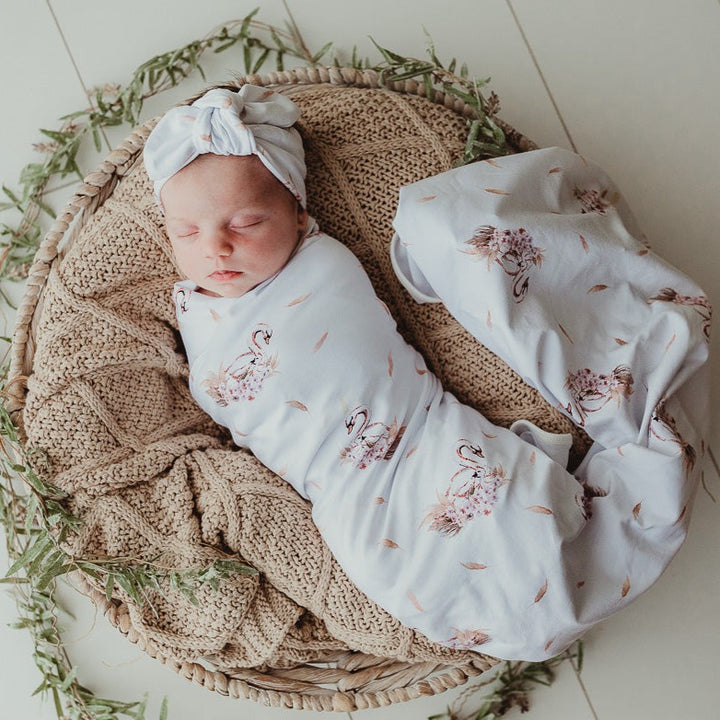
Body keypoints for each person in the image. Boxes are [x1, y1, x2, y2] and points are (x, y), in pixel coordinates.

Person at [143, 85, 710, 661]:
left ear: (298, 212)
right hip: (345, 500)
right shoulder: (192, 315)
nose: (215, 248)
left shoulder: (320, 264)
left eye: (246, 221)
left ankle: (552, 564)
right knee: (408, 569)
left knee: (502, 523)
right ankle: (523, 605)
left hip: (419, 438)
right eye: (186, 232)